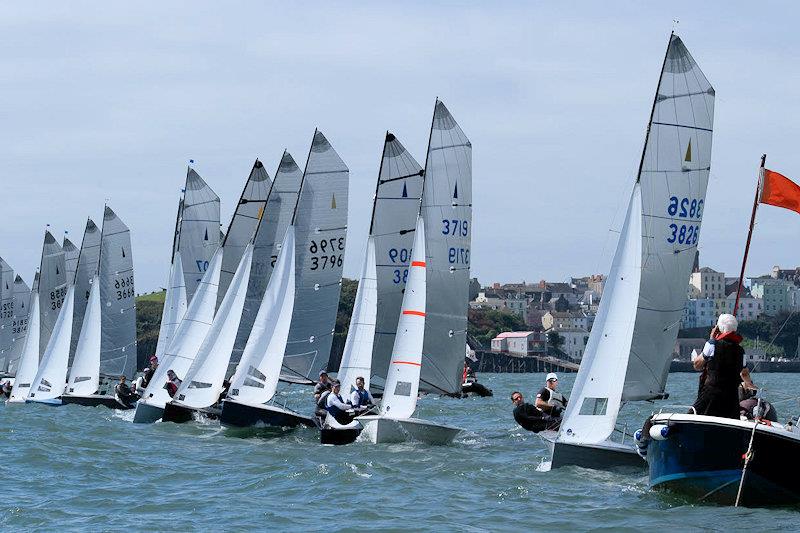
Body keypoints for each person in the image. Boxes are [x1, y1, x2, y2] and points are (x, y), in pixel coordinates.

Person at [692, 314, 755, 419]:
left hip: (711, 395)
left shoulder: (712, 344)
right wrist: (749, 384)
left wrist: (711, 339)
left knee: (694, 414)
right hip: (731, 398)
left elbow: (697, 365)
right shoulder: (740, 351)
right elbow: (744, 373)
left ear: (719, 328)